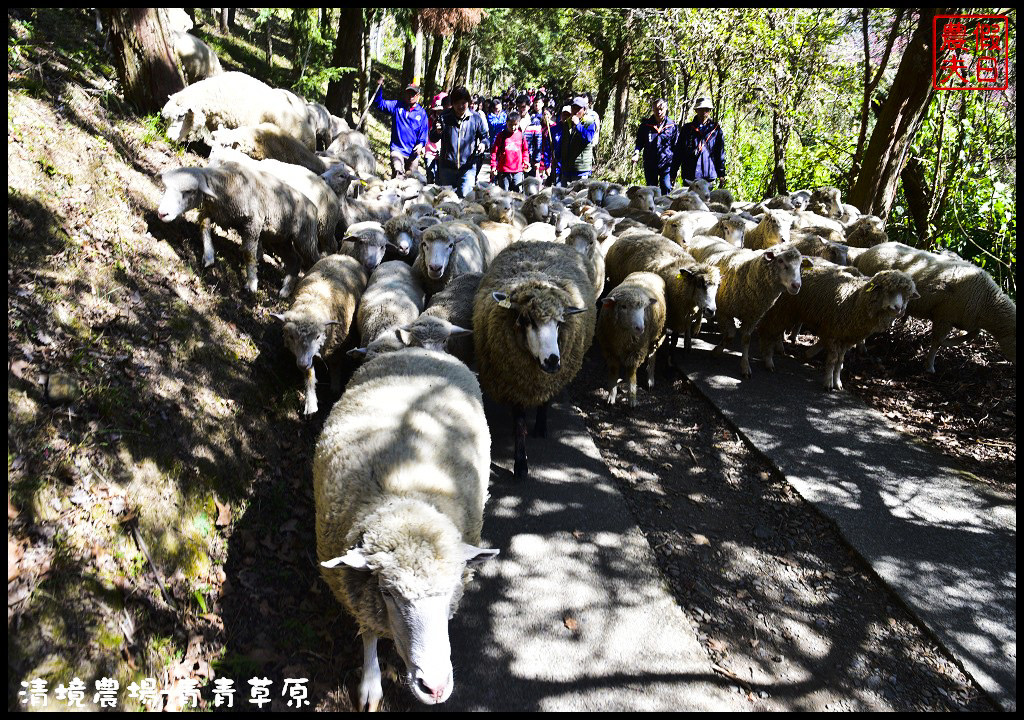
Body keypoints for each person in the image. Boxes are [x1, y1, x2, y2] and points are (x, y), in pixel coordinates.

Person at [431, 86, 489, 198]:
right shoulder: (444, 117)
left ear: (469, 102)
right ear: (452, 103)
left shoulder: (475, 118)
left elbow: (485, 137)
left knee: (466, 201)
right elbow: (432, 138)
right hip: (447, 167)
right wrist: (437, 132)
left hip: (468, 168)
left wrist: (483, 144)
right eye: (457, 103)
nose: (461, 106)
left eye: (464, 102)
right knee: (446, 201)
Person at [372, 78, 429, 178]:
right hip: (397, 150)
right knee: (398, 175)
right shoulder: (396, 106)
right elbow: (379, 104)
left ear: (418, 96)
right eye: (408, 93)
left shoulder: (422, 113)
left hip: (413, 154)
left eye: (413, 94)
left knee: (412, 181)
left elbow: (424, 133)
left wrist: (420, 144)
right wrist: (379, 88)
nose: (410, 96)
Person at [676, 95, 727, 188]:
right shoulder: (687, 129)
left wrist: (721, 174)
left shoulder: (715, 130)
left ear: (710, 111)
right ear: (696, 110)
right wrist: (673, 173)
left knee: (706, 201)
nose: (704, 112)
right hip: (690, 174)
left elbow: (720, 153)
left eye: (706, 109)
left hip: (707, 174)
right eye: (701, 109)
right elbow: (678, 152)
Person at [631, 98, 679, 194]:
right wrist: (636, 153)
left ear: (666, 109)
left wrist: (676, 166)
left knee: (666, 186)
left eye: (661, 109)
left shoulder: (672, 126)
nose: (659, 112)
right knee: (651, 189)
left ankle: (664, 208)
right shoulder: (645, 125)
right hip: (650, 162)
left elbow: (676, 147)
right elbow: (639, 142)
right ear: (653, 109)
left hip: (666, 163)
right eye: (656, 109)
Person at [559, 96, 598, 184]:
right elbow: (563, 142)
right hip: (567, 167)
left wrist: (578, 125)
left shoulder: (589, 122)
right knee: (564, 194)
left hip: (581, 167)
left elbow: (588, 138)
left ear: (584, 110)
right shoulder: (567, 123)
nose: (576, 111)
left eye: (578, 108)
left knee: (579, 195)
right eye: (573, 108)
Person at [490, 111, 529, 191]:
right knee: (504, 194)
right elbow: (494, 152)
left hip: (518, 170)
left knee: (517, 195)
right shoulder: (501, 136)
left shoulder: (521, 136)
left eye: (515, 125)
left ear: (519, 123)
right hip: (504, 171)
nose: (513, 127)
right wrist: (493, 166)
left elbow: (525, 150)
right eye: (510, 125)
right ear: (506, 123)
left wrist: (525, 161)